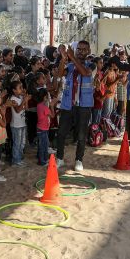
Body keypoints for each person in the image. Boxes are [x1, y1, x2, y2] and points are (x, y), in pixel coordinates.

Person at [55, 41, 94, 172]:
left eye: (84, 49)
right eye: (79, 49)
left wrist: (72, 57)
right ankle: (59, 158)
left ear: (88, 51)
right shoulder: (70, 66)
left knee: (82, 135)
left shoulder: (92, 65)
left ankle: (79, 160)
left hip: (84, 105)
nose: (81, 51)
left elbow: (84, 73)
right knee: (61, 133)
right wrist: (63, 59)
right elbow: (60, 74)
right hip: (68, 104)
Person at [9, 81, 28, 167]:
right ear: (14, 90)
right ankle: (15, 161)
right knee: (17, 143)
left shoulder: (20, 97)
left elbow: (26, 108)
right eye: (19, 88)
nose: (22, 89)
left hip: (22, 123)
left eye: (22, 87)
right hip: (16, 125)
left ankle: (19, 158)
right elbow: (18, 110)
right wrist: (24, 100)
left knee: (22, 142)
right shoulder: (13, 99)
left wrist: (25, 99)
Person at [36, 89, 56, 165]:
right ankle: (42, 161)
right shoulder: (44, 107)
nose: (48, 98)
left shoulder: (39, 105)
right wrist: (52, 106)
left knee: (42, 144)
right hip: (43, 129)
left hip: (40, 128)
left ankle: (42, 158)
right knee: (44, 145)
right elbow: (53, 116)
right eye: (48, 96)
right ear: (45, 97)